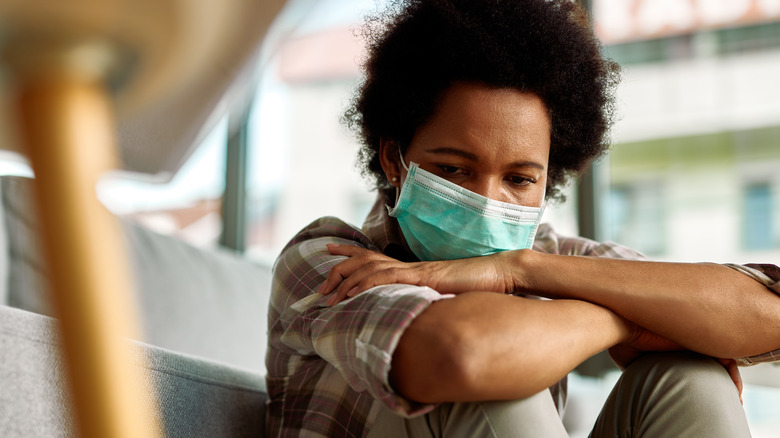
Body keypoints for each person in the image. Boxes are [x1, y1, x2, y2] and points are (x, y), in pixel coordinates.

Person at [265, 0, 780, 436]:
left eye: (519, 179)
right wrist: (621, 318)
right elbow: (461, 354)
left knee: (688, 372)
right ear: (393, 159)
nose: (488, 199)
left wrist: (523, 270)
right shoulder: (328, 258)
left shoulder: (551, 258)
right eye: (454, 169)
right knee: (491, 379)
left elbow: (768, 317)